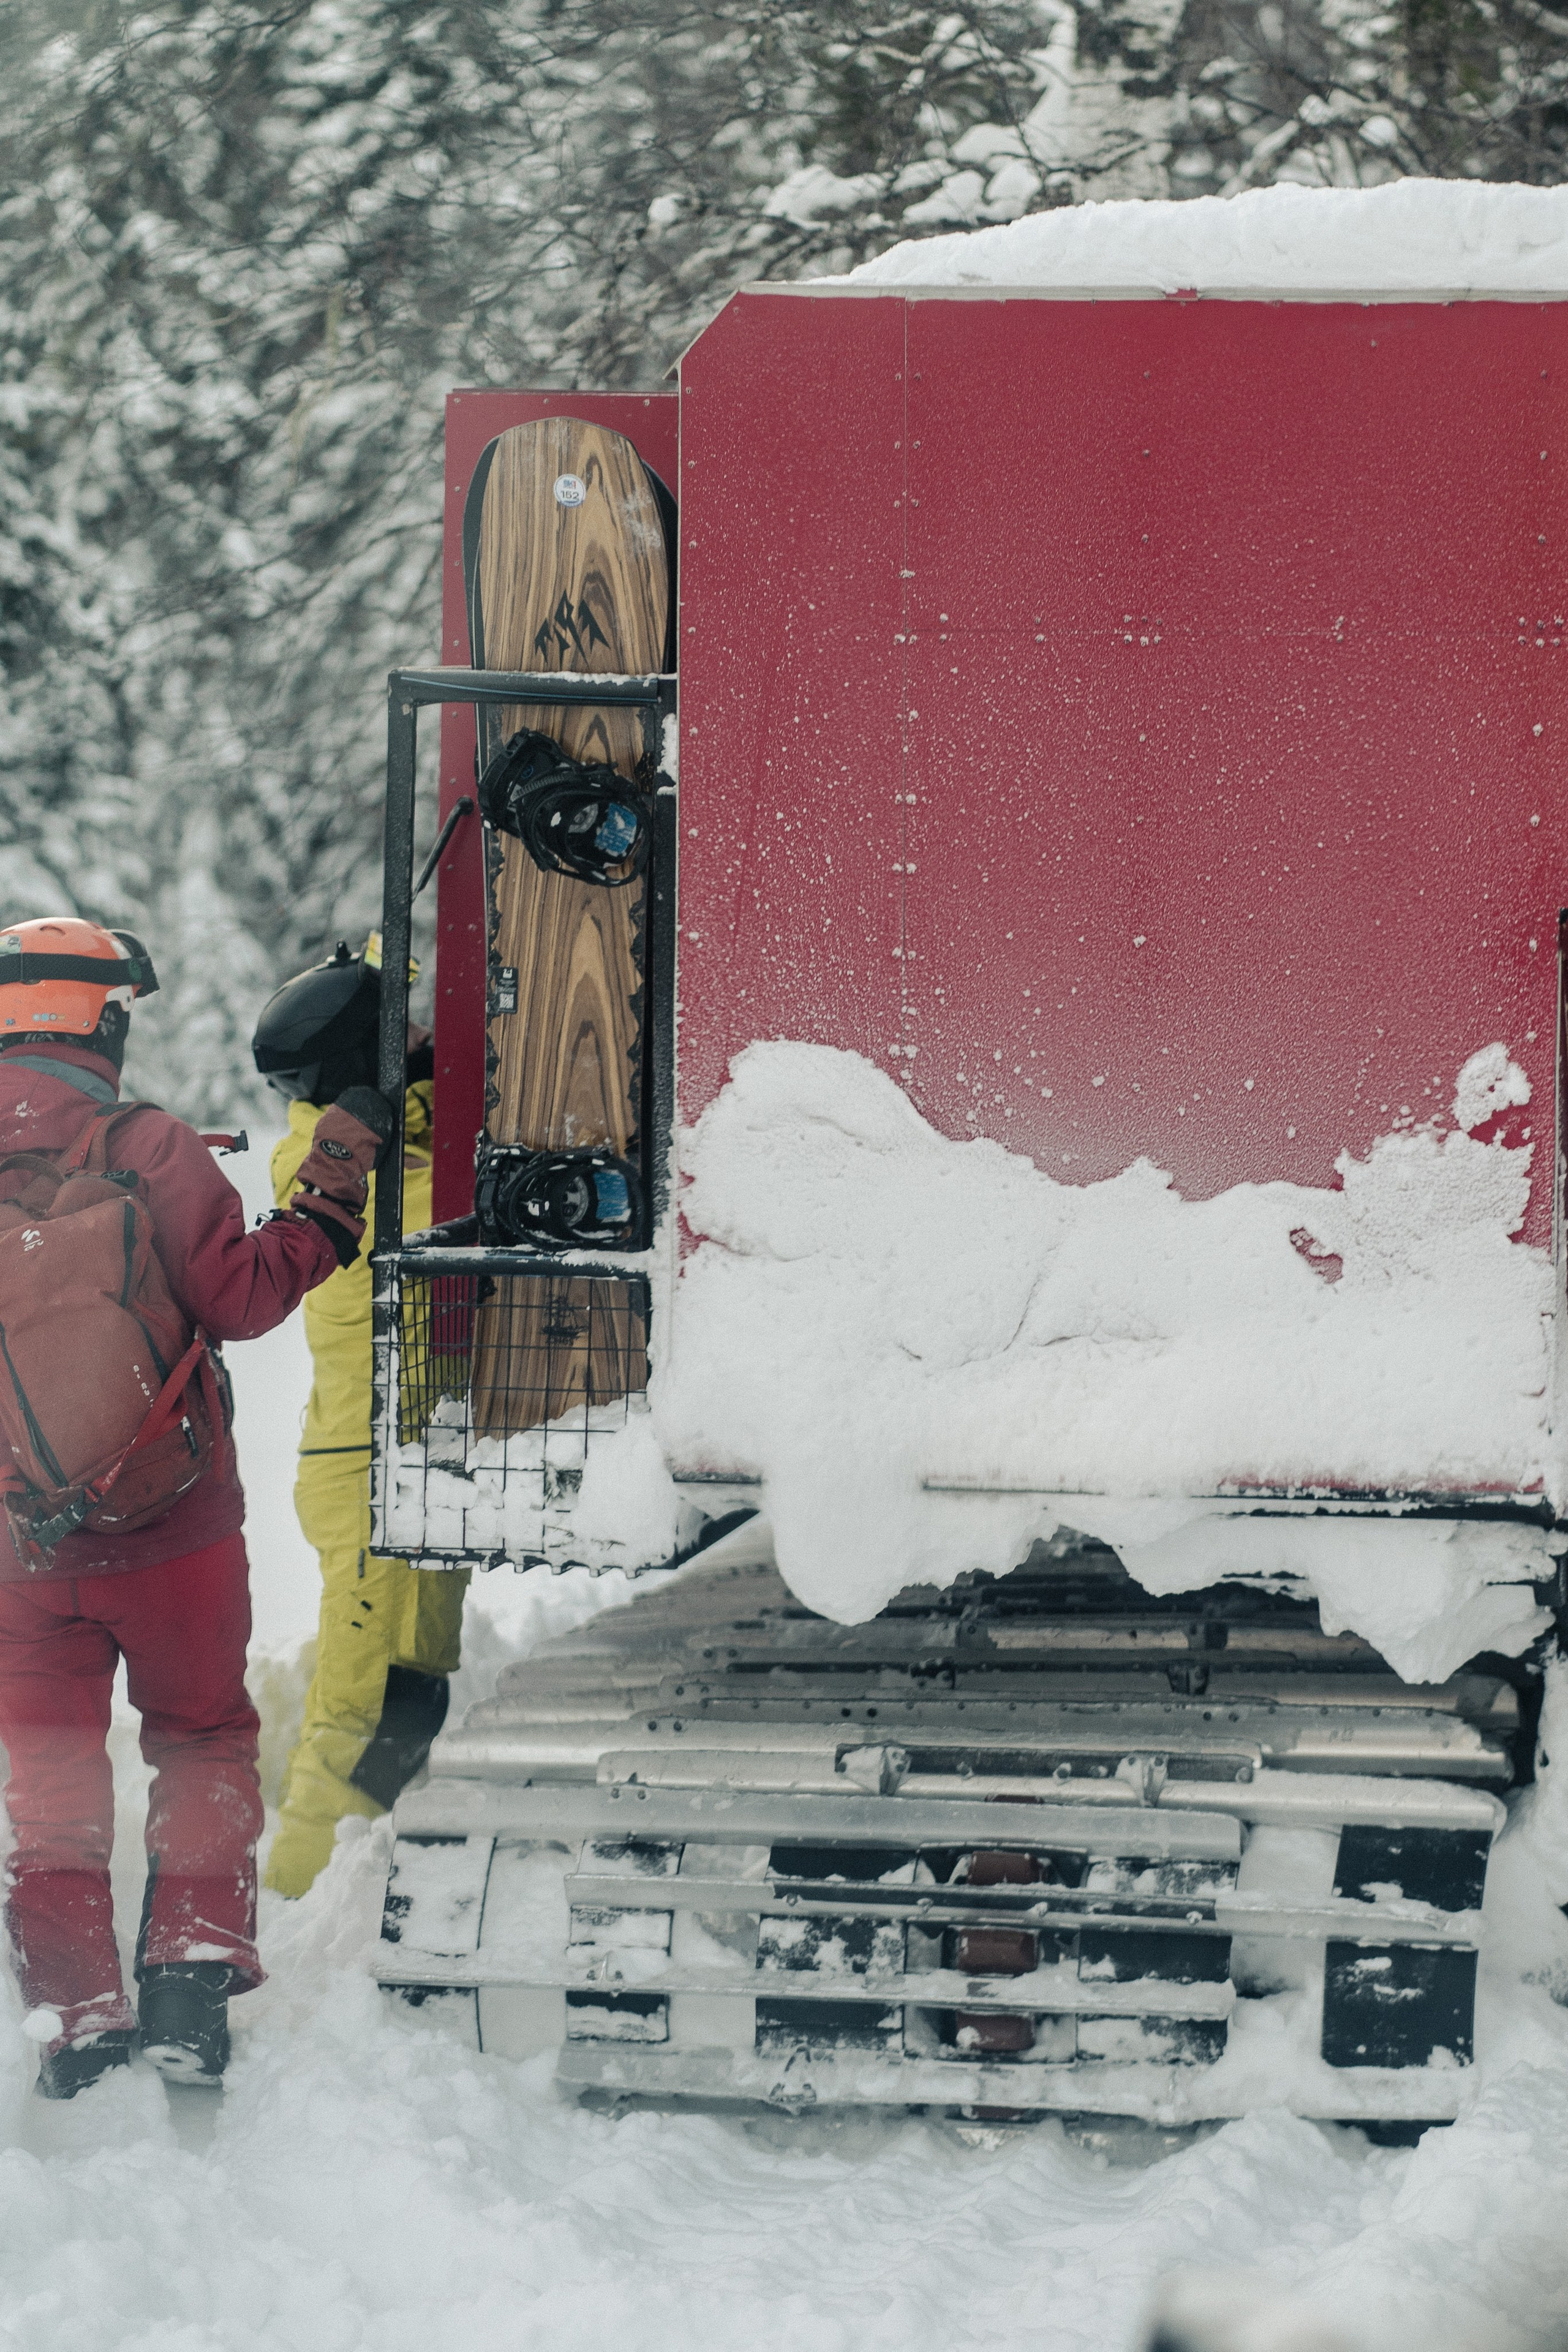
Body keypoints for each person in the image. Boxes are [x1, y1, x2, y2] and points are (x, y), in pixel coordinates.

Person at [0, 915, 390, 2097]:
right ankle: (190, 1975)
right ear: (100, 1027)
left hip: (19, 1550)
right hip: (176, 1535)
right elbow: (247, 1297)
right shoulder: (152, 1146)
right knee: (202, 1738)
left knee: (49, 1780)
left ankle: (76, 2018)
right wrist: (330, 1182)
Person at [253, 938, 469, 1899]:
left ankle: (362, 1871)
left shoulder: (393, 1140)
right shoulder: (323, 1165)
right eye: (402, 1030)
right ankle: (302, 1899)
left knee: (411, 1696)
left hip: (418, 1458)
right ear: (356, 1063)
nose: (423, 1037)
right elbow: (445, 1207)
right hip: (369, 1466)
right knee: (359, 1705)